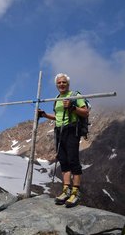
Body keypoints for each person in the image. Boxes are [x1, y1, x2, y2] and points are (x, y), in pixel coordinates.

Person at [38, 73, 89, 207]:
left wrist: (72, 108)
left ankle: (76, 192)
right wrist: (44, 115)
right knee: (64, 161)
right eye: (59, 82)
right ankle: (66, 190)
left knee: (73, 160)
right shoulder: (57, 98)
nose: (61, 84)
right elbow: (58, 116)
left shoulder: (75, 95)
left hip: (72, 129)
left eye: (64, 82)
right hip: (59, 131)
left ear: (68, 84)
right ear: (56, 85)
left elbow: (85, 112)